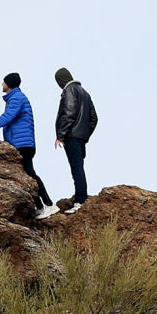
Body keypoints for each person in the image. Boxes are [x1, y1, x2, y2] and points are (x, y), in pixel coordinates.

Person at [0, 72, 58, 219]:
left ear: (9, 84)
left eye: (3, 82)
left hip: (23, 144)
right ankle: (39, 207)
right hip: (19, 143)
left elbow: (6, 119)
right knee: (25, 176)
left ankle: (48, 205)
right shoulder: (14, 98)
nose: (2, 84)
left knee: (30, 174)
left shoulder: (17, 98)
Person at [53, 67, 98, 214]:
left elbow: (69, 112)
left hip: (71, 136)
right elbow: (93, 118)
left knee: (76, 169)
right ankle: (80, 197)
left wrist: (61, 135)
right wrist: (85, 134)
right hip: (81, 137)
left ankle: (80, 201)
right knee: (79, 168)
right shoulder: (85, 93)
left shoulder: (70, 90)